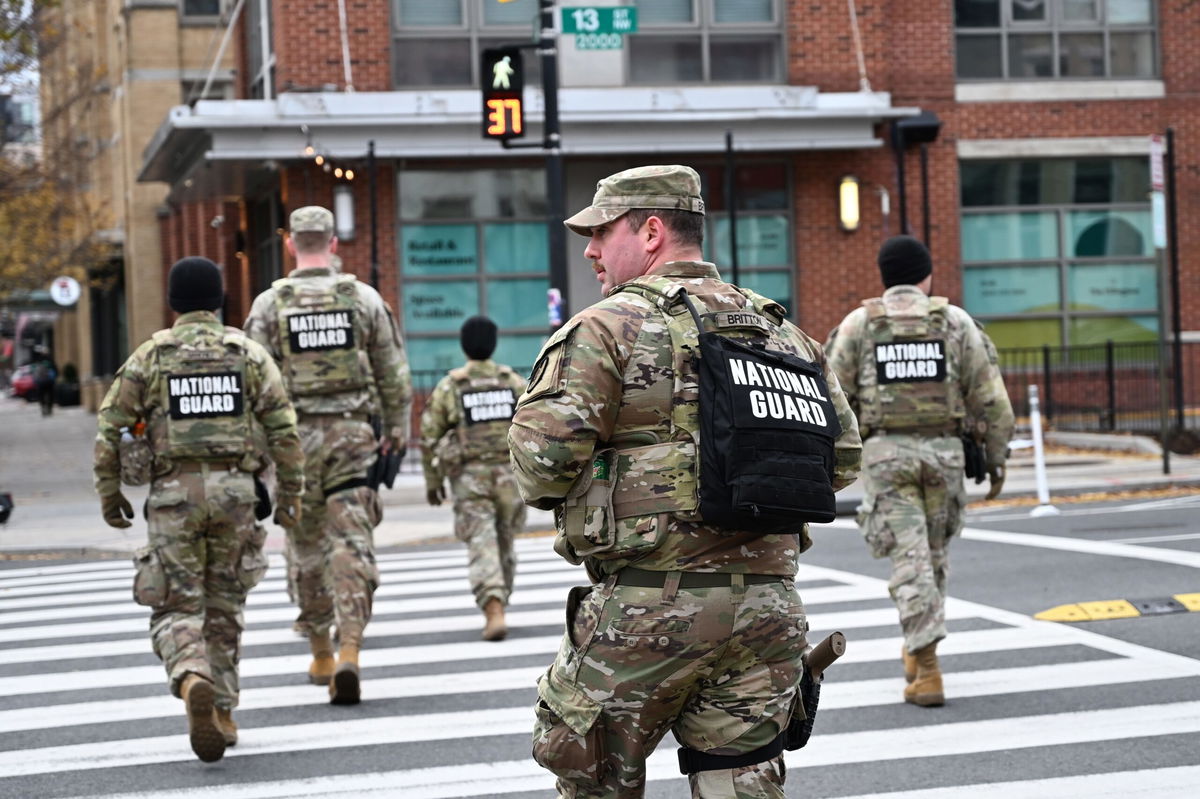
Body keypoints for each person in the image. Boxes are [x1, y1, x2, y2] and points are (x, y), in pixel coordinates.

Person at [509, 165, 862, 797]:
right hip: (767, 616)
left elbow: (541, 465)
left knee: (591, 781)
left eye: (601, 231)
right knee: (739, 787)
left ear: (649, 232)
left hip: (647, 613)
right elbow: (840, 459)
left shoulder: (605, 329)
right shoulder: (783, 333)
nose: (589, 249)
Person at [93, 256, 304, 762]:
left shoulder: (151, 356)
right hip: (236, 494)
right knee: (226, 604)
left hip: (173, 498)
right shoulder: (247, 354)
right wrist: (291, 496)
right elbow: (284, 430)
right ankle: (225, 713)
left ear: (172, 302)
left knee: (176, 604)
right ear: (219, 300)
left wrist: (110, 493)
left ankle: (192, 677)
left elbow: (109, 428)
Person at [824, 234, 1015, 707]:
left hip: (887, 457)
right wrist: (995, 459)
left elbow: (830, 400)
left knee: (911, 561)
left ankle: (926, 666)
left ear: (883, 277)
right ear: (926, 275)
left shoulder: (859, 325)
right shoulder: (954, 322)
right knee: (932, 558)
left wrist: (836, 464)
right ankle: (918, 647)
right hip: (945, 456)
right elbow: (992, 401)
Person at [244, 205, 412, 705]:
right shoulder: (361, 299)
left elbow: (254, 384)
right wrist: (396, 435)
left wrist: (257, 456)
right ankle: (351, 650)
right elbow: (393, 372)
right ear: (334, 244)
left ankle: (319, 649)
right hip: (351, 440)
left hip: (293, 444)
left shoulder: (269, 306)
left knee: (306, 544)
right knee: (352, 542)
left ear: (292, 245)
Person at [420, 316, 527, 641]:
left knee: (482, 540)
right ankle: (500, 599)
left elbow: (429, 435)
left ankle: (493, 605)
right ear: (494, 344)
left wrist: (433, 480)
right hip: (509, 477)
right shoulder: (512, 383)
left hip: (470, 478)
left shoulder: (453, 386)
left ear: (463, 346)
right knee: (505, 540)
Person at [31, 346, 57, 416]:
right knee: (50, 395)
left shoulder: (38, 360)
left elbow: (34, 370)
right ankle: (49, 408)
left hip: (40, 382)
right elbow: (55, 369)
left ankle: (43, 407)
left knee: (41, 396)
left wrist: (35, 380)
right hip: (49, 381)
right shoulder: (50, 359)